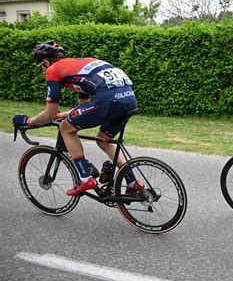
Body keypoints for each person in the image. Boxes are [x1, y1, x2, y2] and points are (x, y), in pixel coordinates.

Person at [12, 41, 143, 196]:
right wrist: (59, 115)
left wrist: (27, 121)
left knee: (66, 129)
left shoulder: (53, 70)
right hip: (128, 99)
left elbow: (49, 113)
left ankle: (85, 178)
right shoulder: (80, 67)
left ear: (46, 62)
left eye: (41, 65)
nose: (42, 70)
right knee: (103, 139)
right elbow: (84, 107)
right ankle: (133, 182)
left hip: (108, 100)